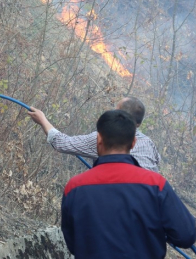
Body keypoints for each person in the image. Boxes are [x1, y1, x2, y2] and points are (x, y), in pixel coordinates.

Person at [61, 109, 195, 259]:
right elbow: (186, 235)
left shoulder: (74, 187)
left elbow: (72, 243)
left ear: (98, 139)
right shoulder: (156, 185)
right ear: (133, 143)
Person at [28, 97, 161, 172]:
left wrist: (42, 120)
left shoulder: (106, 137)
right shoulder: (149, 143)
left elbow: (61, 143)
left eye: (115, 110)